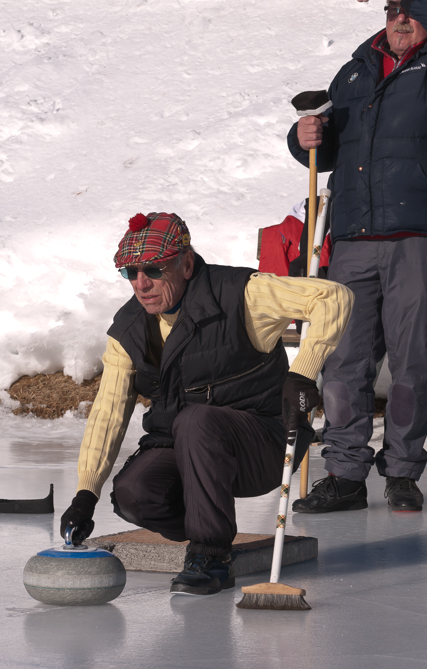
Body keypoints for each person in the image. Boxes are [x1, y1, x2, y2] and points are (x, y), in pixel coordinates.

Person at [60, 211, 353, 595]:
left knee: (197, 421)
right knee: (134, 493)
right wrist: (86, 493)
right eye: (129, 273)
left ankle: (211, 554)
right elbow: (109, 412)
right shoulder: (129, 330)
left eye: (153, 269)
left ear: (185, 263)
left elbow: (333, 296)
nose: (141, 284)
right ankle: (208, 521)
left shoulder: (240, 293)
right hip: (183, 446)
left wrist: (302, 373)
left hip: (263, 444)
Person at [287, 0, 427, 514]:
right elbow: (329, 144)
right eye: (392, 11)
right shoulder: (356, 71)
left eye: (410, 10)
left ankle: (401, 470)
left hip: (423, 236)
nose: (399, 19)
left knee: (413, 359)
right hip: (355, 235)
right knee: (343, 359)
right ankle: (345, 474)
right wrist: (304, 137)